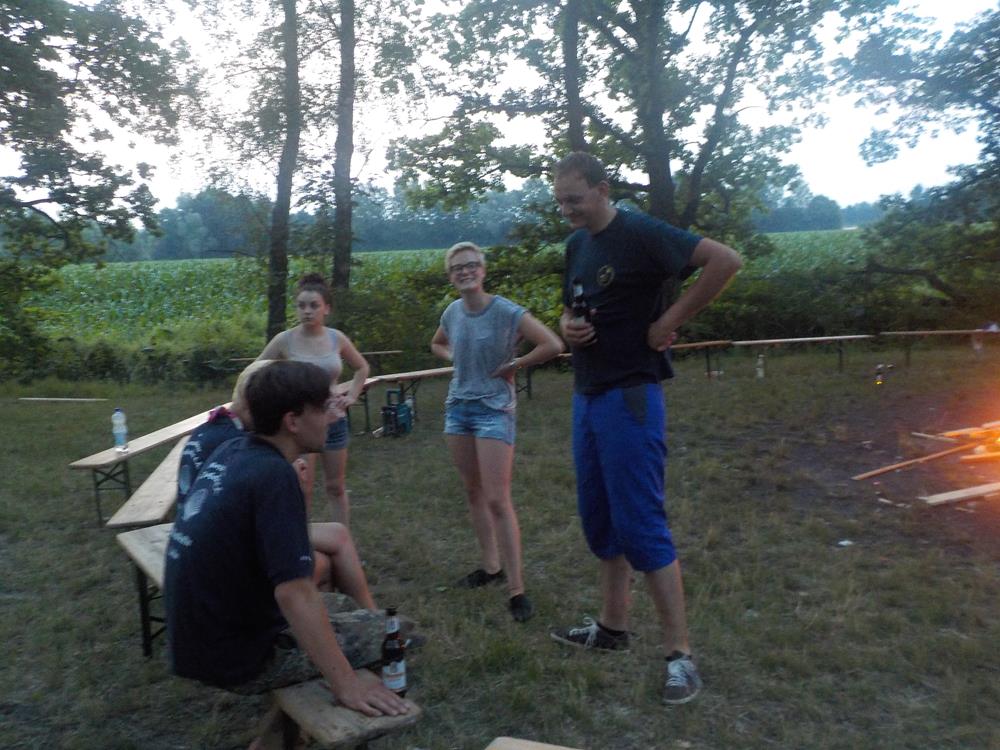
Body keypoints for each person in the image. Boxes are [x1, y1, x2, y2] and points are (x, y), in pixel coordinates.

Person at [549, 152, 742, 704]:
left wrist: (669, 320)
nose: (567, 210)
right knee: (601, 519)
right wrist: (567, 325)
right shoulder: (578, 244)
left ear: (603, 188)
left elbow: (725, 260)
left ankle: (680, 655)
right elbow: (572, 306)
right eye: (560, 202)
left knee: (640, 521)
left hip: (631, 394)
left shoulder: (641, 233)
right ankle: (612, 628)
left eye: (575, 199)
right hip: (588, 394)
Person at [164, 361, 408, 749]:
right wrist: (346, 683)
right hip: (234, 653)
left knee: (344, 608)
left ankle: (274, 741)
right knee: (396, 632)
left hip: (198, 634)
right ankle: (346, 714)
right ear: (292, 420)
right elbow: (294, 593)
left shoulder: (234, 448)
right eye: (323, 408)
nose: (334, 417)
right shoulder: (274, 477)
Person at [430, 241, 564, 622]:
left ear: (483, 270)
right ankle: (491, 567)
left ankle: (517, 589)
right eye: (457, 268)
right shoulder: (453, 312)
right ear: (451, 276)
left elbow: (553, 344)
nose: (465, 271)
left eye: (471, 264)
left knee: (497, 499)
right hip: (458, 409)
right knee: (473, 492)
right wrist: (453, 356)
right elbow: (437, 343)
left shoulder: (504, 310)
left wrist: (515, 364)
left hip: (494, 410)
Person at [176, 359, 375, 605]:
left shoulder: (220, 431)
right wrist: (294, 480)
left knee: (338, 534)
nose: (331, 419)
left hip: (208, 534)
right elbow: (277, 530)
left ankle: (366, 617)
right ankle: (357, 619)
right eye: (323, 410)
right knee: (324, 563)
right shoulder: (250, 454)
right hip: (223, 558)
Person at [257, 272, 370, 526]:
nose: (307, 311)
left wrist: (352, 395)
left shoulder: (336, 338)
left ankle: (343, 539)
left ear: (326, 308)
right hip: (299, 424)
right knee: (302, 486)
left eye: (314, 305)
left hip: (333, 420)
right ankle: (299, 541)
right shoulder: (284, 340)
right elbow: (254, 373)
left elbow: (362, 367)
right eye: (301, 305)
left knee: (335, 486)